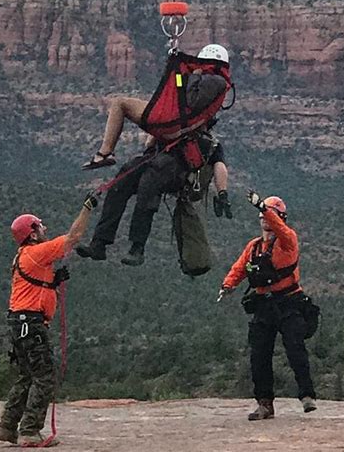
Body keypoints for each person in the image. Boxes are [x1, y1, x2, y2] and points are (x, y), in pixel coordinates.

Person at [0, 192, 98, 447]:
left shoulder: (23, 257)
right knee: (45, 375)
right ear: (31, 233)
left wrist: (52, 282)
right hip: (31, 323)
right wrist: (87, 208)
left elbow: (32, 285)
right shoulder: (37, 253)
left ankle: (7, 426)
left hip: (19, 322)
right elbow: (73, 237)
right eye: (39, 226)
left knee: (27, 375)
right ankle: (29, 431)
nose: (44, 228)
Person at [218, 190, 317, 421]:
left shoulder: (288, 240)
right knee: (259, 355)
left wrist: (264, 208)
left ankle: (307, 395)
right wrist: (228, 285)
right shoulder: (254, 247)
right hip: (264, 304)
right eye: (262, 217)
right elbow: (240, 267)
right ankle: (264, 404)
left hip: (289, 302)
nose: (265, 221)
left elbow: (280, 228)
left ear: (280, 218)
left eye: (269, 217)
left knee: (295, 349)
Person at [77, 124, 232, 266]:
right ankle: (99, 243)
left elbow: (219, 165)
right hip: (153, 161)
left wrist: (222, 192)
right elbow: (149, 144)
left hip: (175, 172)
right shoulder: (177, 126)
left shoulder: (207, 142)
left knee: (149, 185)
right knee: (121, 182)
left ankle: (137, 247)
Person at [82, 44, 229, 170]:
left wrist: (195, 75)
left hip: (174, 121)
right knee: (149, 107)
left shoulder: (214, 80)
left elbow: (192, 100)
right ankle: (150, 149)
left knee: (120, 103)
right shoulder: (217, 83)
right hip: (178, 120)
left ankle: (105, 152)